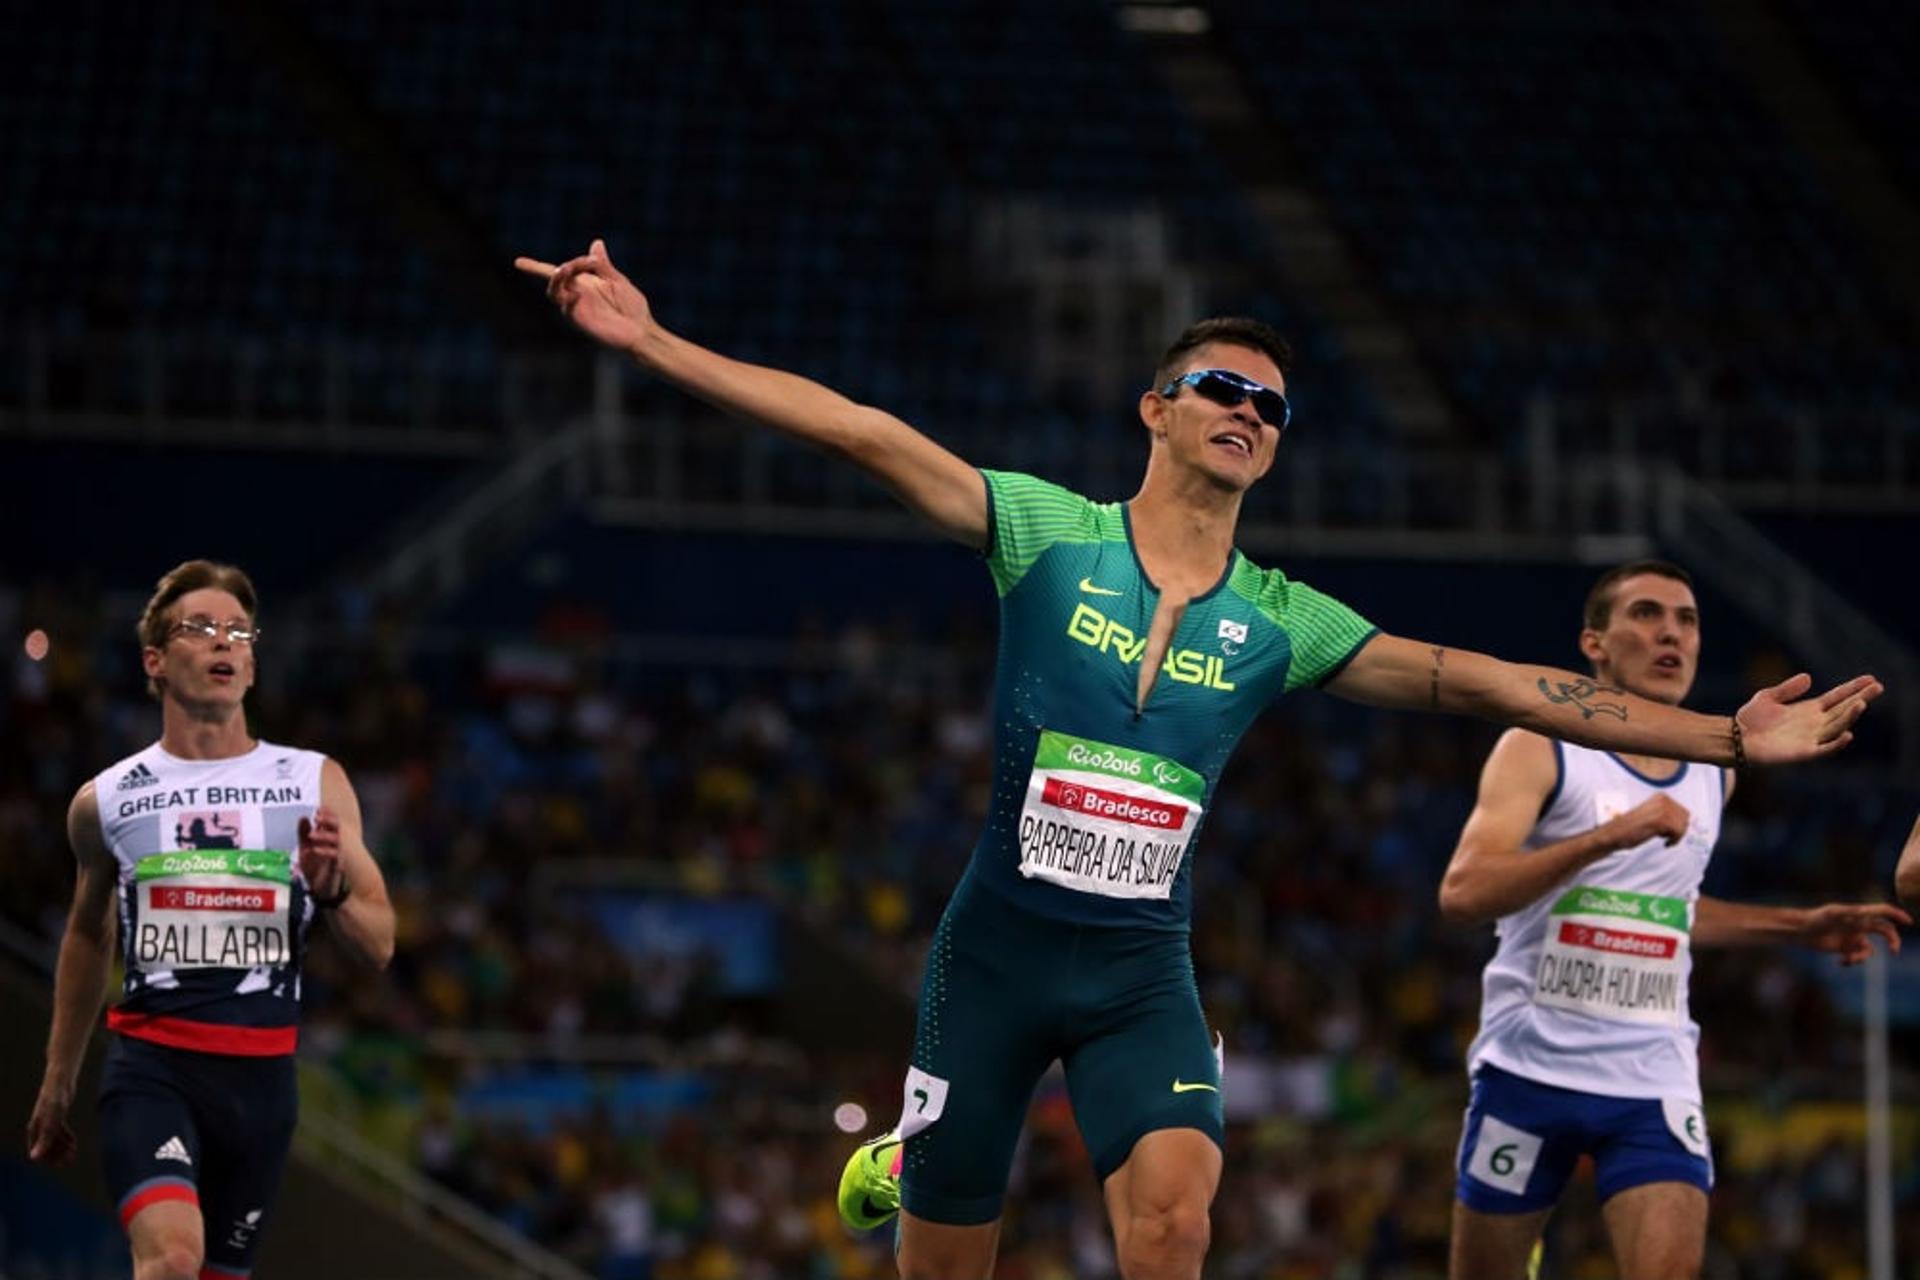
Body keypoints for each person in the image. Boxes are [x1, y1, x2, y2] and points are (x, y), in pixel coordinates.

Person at [516, 239, 1880, 1280]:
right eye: (1221, 389)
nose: (1247, 412)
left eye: (1271, 408)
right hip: (989, 968)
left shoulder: (1284, 620)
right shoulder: (1046, 531)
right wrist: (652, 340)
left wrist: (1725, 740)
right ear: (1154, 409)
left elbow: (1494, 685)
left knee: (1172, 1229)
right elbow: (858, 430)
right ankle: (910, 1156)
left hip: (1136, 979)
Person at [1437, 560, 1907, 1280]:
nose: (1671, 634)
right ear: (1594, 643)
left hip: (1650, 1080)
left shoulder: (1713, 769)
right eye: (1647, 614)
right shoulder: (1540, 746)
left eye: (1687, 620)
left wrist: (1798, 926)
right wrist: (1605, 837)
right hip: (1527, 1071)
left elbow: (1665, 914)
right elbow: (1463, 892)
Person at [25, 560, 395, 1280]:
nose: (224, 641)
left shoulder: (312, 781)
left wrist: (335, 889)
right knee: (172, 1258)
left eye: (238, 631)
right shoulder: (103, 802)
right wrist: (57, 1081)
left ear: (252, 664)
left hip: (262, 1091)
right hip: (153, 1070)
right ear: (156, 662)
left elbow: (379, 945)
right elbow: (86, 933)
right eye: (200, 628)